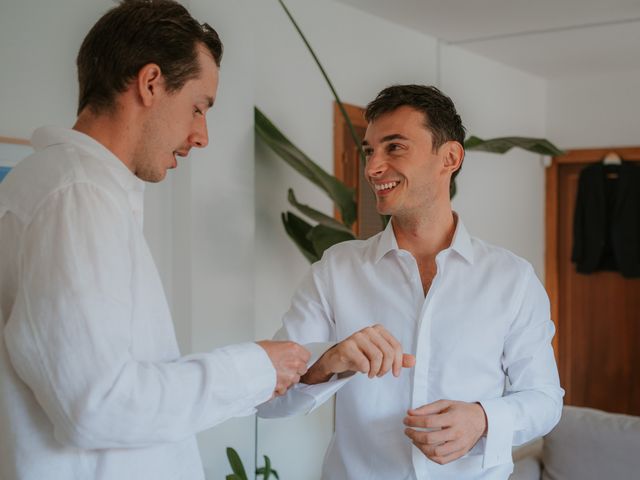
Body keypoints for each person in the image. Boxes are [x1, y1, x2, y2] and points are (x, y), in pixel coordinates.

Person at [0, 1, 310, 479]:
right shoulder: (76, 195)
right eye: (198, 107)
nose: (201, 135)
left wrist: (260, 377)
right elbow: (97, 406)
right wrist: (252, 368)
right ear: (150, 84)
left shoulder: (69, 189)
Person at [258, 84, 564, 479]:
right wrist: (327, 362)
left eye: (394, 147)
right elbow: (269, 402)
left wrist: (483, 419)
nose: (372, 168)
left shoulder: (513, 279)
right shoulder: (336, 270)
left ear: (449, 157)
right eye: (369, 151)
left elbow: (545, 400)